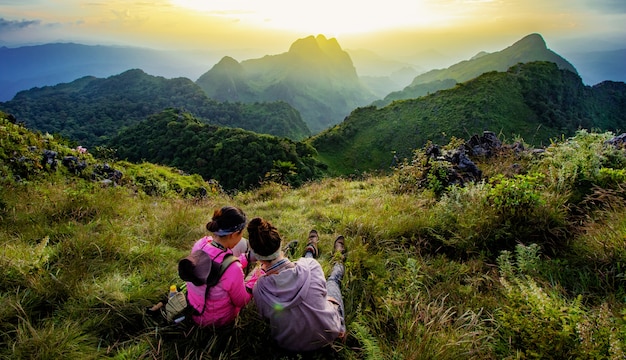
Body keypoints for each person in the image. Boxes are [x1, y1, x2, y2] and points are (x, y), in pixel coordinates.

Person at [247, 217, 347, 352]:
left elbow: (267, 319)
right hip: (329, 334)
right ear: (280, 242)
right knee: (332, 281)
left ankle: (311, 249)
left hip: (290, 346)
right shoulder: (311, 267)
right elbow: (322, 294)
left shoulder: (259, 289)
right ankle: (338, 258)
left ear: (256, 256)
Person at [184, 206, 258, 327]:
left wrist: (246, 258)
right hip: (217, 321)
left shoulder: (200, 245)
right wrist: (257, 277)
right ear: (234, 234)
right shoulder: (233, 269)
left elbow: (217, 265)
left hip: (195, 312)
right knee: (255, 274)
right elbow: (242, 301)